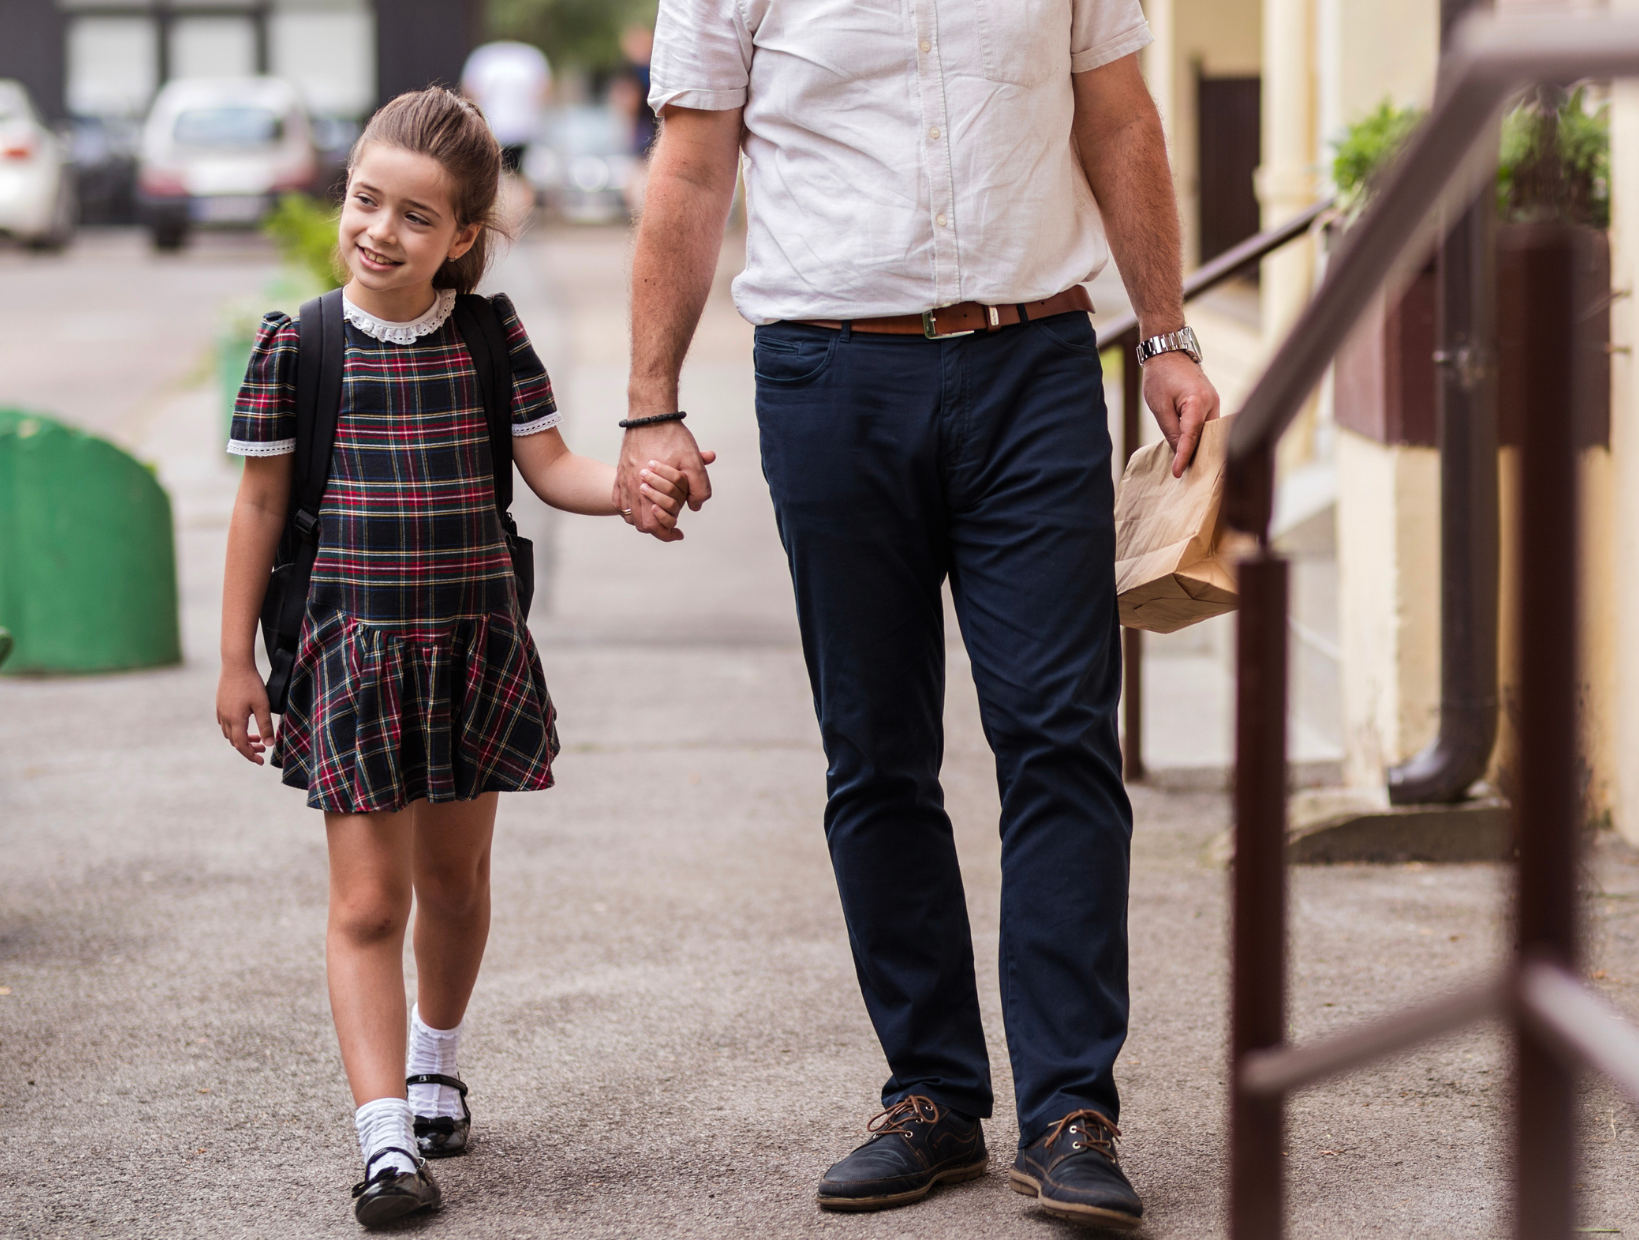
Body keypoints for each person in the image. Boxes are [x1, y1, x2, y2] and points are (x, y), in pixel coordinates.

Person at [618, 2, 1219, 1230]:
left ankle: (1069, 1111)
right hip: (827, 376)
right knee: (876, 750)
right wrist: (649, 403)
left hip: (1033, 365)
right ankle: (932, 1094)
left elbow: (1118, 119)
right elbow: (689, 165)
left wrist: (1163, 333)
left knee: (1059, 736)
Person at [214, 88, 702, 1228]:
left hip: (471, 651)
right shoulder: (300, 345)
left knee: (454, 884)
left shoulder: (490, 337)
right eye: (365, 200)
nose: (379, 230)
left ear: (464, 235)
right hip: (352, 664)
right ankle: (385, 1138)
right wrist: (235, 661)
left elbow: (552, 466)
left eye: (416, 216)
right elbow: (260, 506)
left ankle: (436, 1064)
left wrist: (632, 490)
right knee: (367, 903)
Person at [460, 40, 552, 172]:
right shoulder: (532, 57)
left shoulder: (482, 57)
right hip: (506, 131)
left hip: (508, 131)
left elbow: (468, 92)